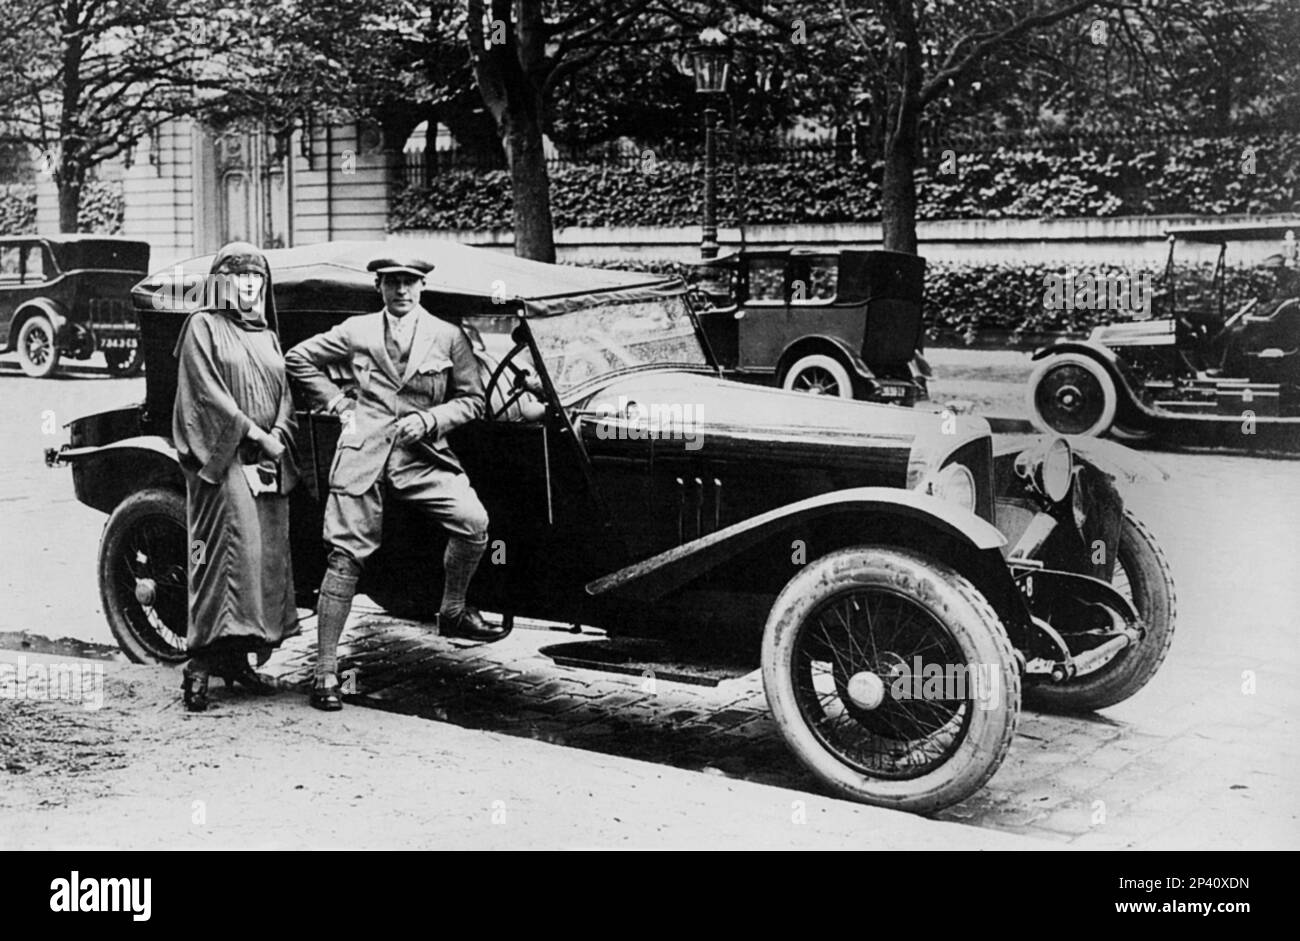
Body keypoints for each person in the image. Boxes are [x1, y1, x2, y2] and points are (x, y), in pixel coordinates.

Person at [285, 256, 506, 713]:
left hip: (422, 457)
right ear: (379, 286)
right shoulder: (358, 329)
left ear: (422, 286)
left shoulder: (448, 336)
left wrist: (429, 419)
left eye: (409, 282)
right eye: (392, 283)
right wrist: (342, 407)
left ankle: (452, 610)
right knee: (345, 557)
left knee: (473, 521)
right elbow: (299, 358)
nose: (401, 290)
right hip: (362, 456)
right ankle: (326, 671)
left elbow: (473, 401)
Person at [172, 242, 299, 712]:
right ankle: (200, 666)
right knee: (226, 559)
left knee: (261, 564)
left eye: (257, 278)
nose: (249, 285)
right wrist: (254, 435)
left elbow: (284, 391)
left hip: (266, 462)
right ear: (222, 282)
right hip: (222, 462)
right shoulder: (202, 327)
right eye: (240, 277)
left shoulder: (267, 334)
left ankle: (238, 660)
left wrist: (280, 432)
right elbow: (204, 395)